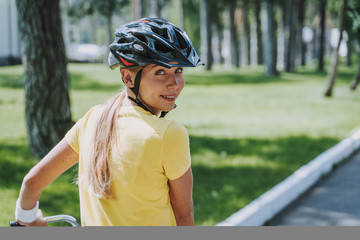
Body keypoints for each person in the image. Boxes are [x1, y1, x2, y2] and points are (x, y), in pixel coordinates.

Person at [14, 18, 204, 226]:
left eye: (179, 71)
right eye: (160, 72)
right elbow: (184, 216)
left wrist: (28, 220)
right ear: (128, 78)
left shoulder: (92, 119)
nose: (174, 84)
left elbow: (32, 182)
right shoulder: (169, 134)